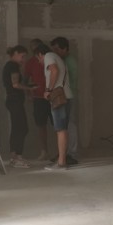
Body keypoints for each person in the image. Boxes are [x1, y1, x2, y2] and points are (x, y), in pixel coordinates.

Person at [35, 43, 72, 171]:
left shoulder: (49, 56)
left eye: (38, 58)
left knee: (60, 129)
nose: (39, 61)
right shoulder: (57, 57)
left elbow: (54, 71)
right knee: (63, 129)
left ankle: (61, 163)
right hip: (66, 96)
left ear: (40, 54)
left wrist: (48, 90)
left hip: (59, 98)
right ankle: (62, 160)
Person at [2, 45, 32, 168]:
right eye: (22, 56)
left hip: (13, 100)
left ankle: (14, 157)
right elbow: (15, 84)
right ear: (15, 53)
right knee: (22, 128)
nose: (23, 59)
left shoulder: (10, 65)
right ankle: (17, 157)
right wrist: (30, 88)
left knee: (17, 128)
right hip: (14, 100)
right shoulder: (13, 66)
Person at [50, 37, 78, 165]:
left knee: (69, 125)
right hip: (65, 95)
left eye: (57, 49)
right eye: (53, 49)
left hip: (68, 96)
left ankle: (71, 153)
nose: (55, 52)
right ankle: (64, 153)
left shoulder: (69, 61)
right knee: (64, 126)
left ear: (65, 48)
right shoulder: (62, 60)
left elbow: (67, 81)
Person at [24, 39, 52, 161]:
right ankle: (44, 151)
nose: (34, 49)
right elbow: (25, 79)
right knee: (41, 125)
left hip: (52, 97)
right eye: (32, 47)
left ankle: (61, 152)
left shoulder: (52, 60)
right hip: (39, 98)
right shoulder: (31, 62)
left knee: (58, 125)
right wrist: (28, 93)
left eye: (36, 47)